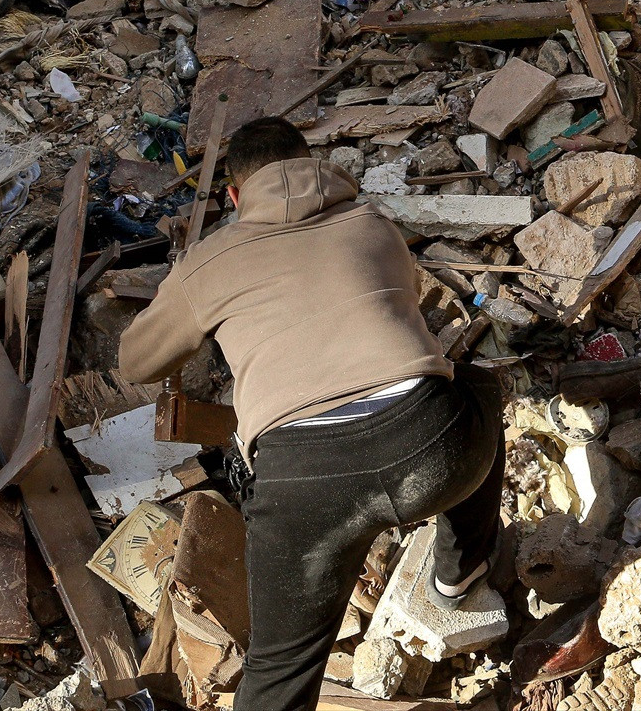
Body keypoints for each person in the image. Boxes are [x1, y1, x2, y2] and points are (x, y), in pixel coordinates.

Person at [120, 116, 504, 711]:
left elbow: (136, 362)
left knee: (280, 670)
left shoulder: (209, 261)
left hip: (306, 484)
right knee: (478, 387)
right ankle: (460, 574)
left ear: (234, 196)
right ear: (313, 165)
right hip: (434, 447)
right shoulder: (373, 222)